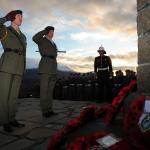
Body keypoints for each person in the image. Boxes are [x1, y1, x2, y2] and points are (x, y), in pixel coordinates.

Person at [0, 10, 26, 132]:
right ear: (12, 18)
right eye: (18, 16)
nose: (21, 18)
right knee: (4, 95)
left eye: (22, 16)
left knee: (13, 96)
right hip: (7, 65)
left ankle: (11, 119)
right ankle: (4, 121)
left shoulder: (23, 36)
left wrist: (23, 67)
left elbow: (24, 53)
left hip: (19, 66)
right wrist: (5, 18)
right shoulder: (5, 30)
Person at [32, 26, 57, 118]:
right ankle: (45, 110)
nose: (52, 33)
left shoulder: (53, 43)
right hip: (45, 66)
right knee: (44, 90)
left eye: (53, 32)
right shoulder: (42, 40)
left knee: (50, 91)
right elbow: (34, 38)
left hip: (53, 67)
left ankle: (49, 109)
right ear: (47, 32)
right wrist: (44, 31)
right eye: (51, 31)